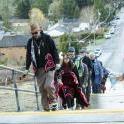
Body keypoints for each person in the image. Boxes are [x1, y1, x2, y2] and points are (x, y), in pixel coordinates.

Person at [24, 23, 60, 111]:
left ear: (40, 30)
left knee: (48, 85)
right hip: (38, 69)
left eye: (36, 33)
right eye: (32, 33)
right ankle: (46, 108)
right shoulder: (30, 42)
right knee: (42, 89)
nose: (34, 35)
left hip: (49, 66)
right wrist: (26, 68)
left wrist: (57, 62)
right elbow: (28, 55)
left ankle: (53, 100)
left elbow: (54, 50)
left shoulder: (47, 38)